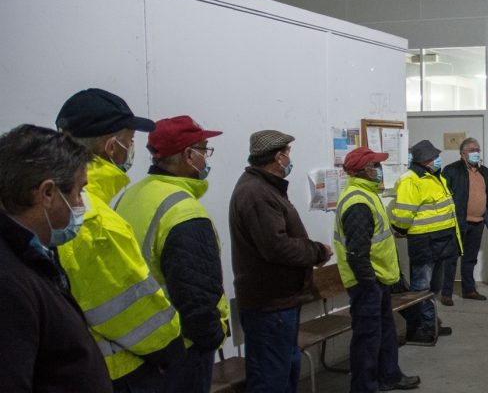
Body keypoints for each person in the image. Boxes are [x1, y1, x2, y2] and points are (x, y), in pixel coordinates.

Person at [54, 88, 186, 391]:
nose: (132, 148)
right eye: (130, 140)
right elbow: (130, 310)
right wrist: (171, 348)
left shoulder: (61, 203)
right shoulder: (93, 218)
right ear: (112, 147)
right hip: (122, 372)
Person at [116, 116, 230, 393]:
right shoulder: (183, 211)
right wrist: (211, 338)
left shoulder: (130, 195)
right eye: (204, 149)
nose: (206, 158)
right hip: (182, 347)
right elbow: (196, 294)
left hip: (138, 344)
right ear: (189, 155)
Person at [0, 125, 112, 392]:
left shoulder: (31, 252)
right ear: (47, 193)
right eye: (78, 191)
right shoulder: (8, 283)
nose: (81, 205)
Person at [229, 130, 331, 393]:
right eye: (288, 153)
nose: (289, 158)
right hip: (270, 305)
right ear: (279, 157)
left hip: (281, 301)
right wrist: (317, 251)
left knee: (283, 369)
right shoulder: (257, 193)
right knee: (270, 376)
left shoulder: (265, 188)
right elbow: (277, 247)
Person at [334, 148, 421, 392]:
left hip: (379, 280)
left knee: (384, 331)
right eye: (376, 165)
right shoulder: (357, 202)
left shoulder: (367, 194)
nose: (380, 169)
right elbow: (356, 252)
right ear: (363, 170)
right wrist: (369, 282)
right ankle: (364, 386)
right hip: (366, 284)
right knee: (367, 338)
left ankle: (389, 376)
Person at [390, 140, 459, 345]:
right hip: (425, 243)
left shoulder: (436, 177)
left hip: (442, 241)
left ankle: (431, 324)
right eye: (434, 156)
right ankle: (421, 328)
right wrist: (401, 229)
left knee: (432, 288)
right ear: (424, 160)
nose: (438, 159)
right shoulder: (410, 180)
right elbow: (403, 213)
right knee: (421, 289)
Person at [440, 137, 488, 304]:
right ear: (462, 153)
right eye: (471, 150)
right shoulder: (451, 170)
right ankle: (446, 293)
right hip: (457, 223)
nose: (475, 152)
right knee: (450, 258)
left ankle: (469, 290)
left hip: (478, 222)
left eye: (477, 149)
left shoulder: (485, 172)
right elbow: (444, 197)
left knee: (470, 258)